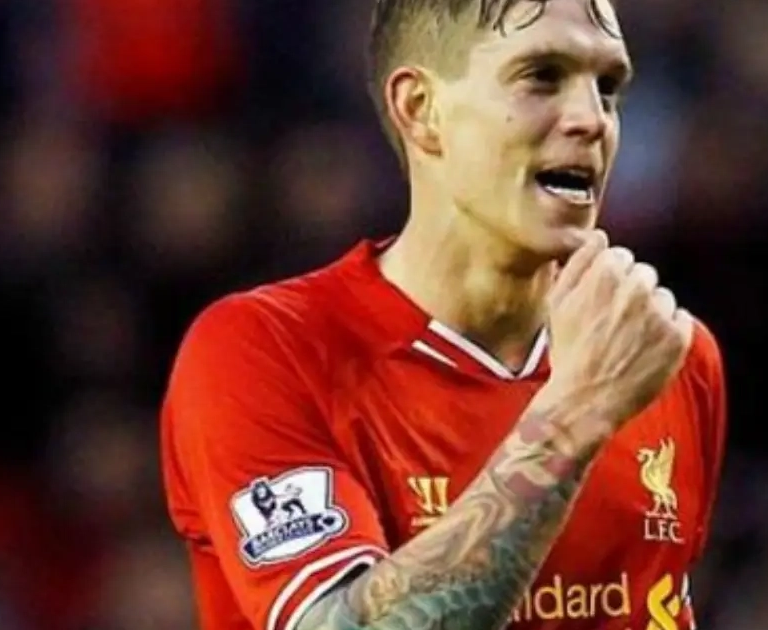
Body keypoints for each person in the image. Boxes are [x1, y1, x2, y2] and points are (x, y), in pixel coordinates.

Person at [159, 0, 728, 628]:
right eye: (542, 77)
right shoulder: (263, 351)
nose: (592, 119)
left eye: (608, 87)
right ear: (420, 109)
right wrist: (573, 417)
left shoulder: (667, 356)